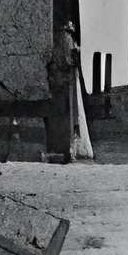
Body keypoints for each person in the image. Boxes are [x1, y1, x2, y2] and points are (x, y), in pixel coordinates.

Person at [42, 22, 81, 164]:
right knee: (66, 116)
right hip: (64, 82)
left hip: (56, 82)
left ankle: (59, 147)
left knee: (59, 116)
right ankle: (65, 149)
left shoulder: (54, 38)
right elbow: (67, 61)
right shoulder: (66, 39)